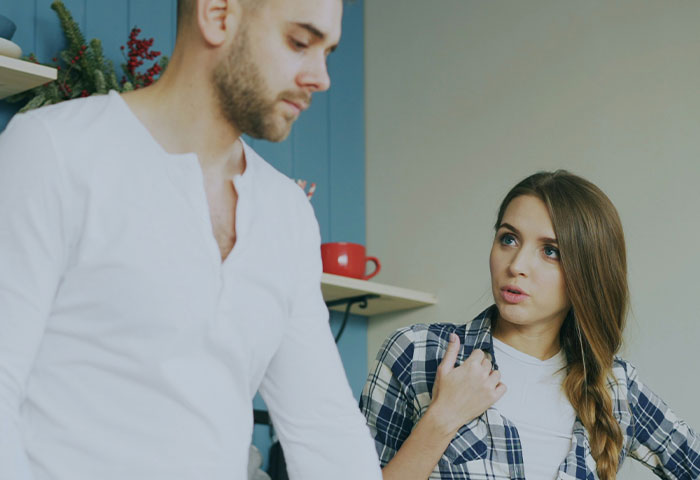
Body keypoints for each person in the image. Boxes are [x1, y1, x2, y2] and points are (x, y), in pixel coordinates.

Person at [0, 0, 382, 479]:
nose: (321, 77)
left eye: (327, 51)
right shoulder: (54, 150)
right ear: (217, 15)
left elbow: (325, 428)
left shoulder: (288, 214)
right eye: (300, 43)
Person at [360, 170, 700, 480]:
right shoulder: (417, 352)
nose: (517, 265)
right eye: (508, 239)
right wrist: (442, 418)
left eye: (551, 251)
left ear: (588, 272)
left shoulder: (615, 387)